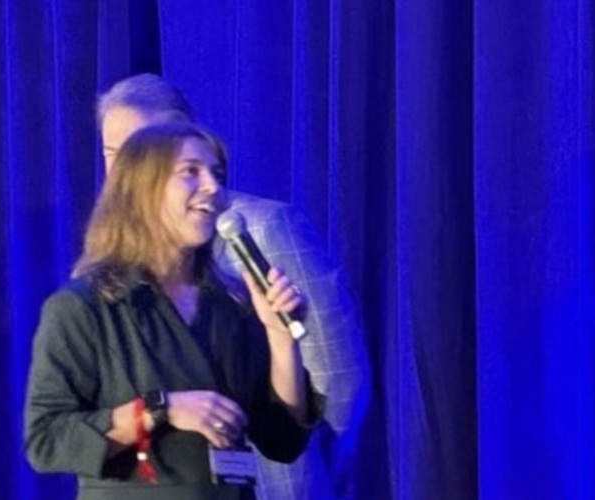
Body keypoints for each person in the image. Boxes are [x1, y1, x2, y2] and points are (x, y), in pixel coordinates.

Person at [94, 74, 370, 500]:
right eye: (113, 153)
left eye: (139, 147)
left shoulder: (261, 228)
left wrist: (316, 474)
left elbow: (339, 370)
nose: (124, 168)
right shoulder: (117, 256)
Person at [24, 122, 321, 500]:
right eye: (191, 172)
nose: (213, 187)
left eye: (217, 174)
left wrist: (280, 338)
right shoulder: (83, 308)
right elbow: (47, 439)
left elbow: (282, 440)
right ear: (142, 190)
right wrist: (161, 409)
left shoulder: (233, 304)